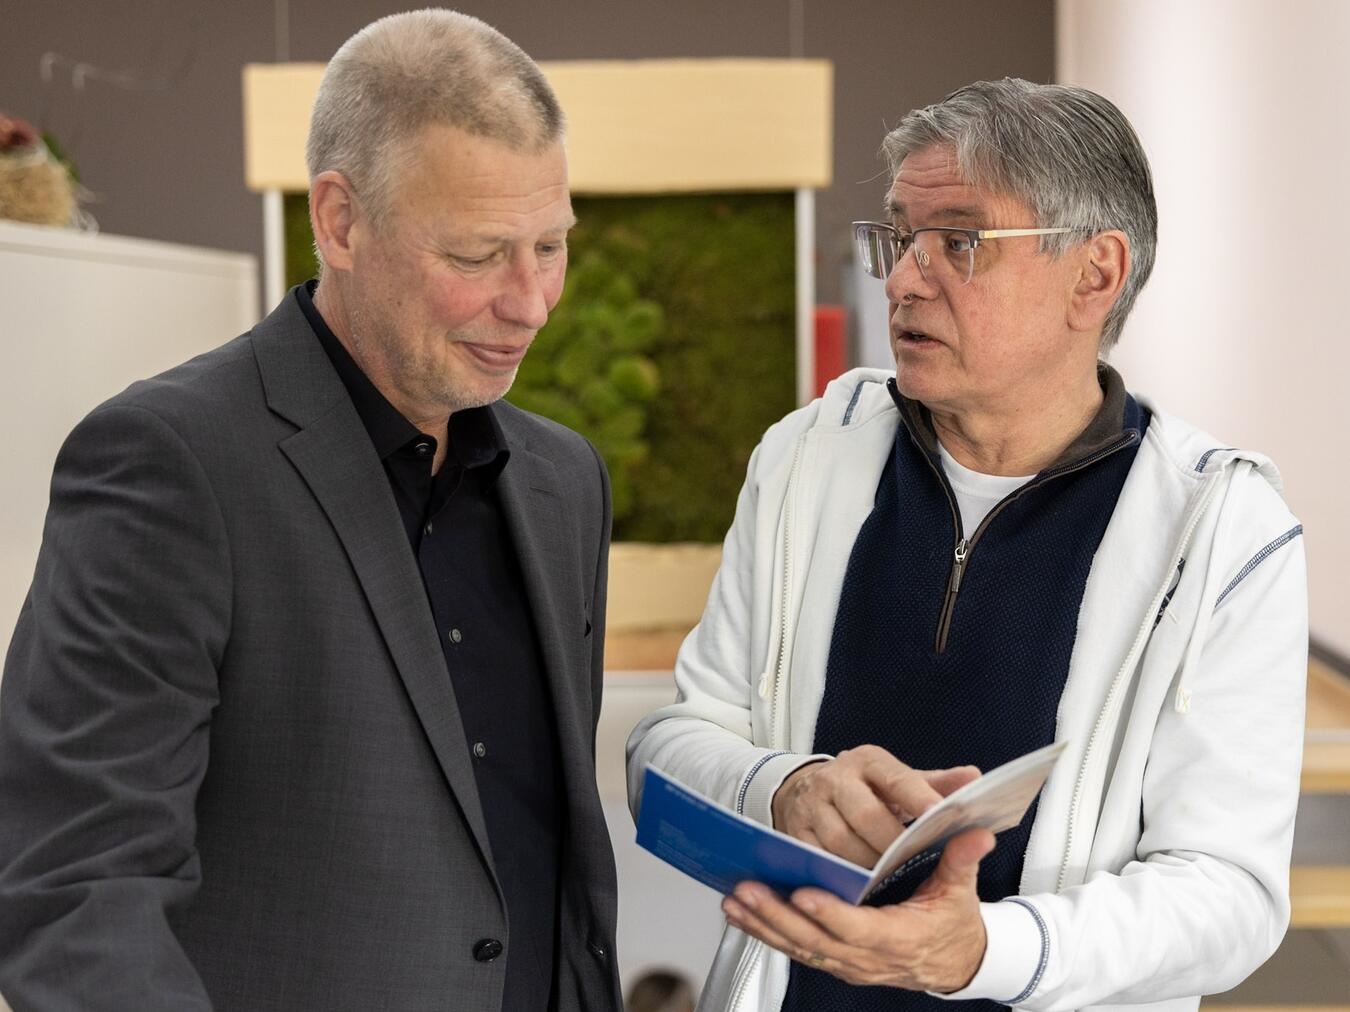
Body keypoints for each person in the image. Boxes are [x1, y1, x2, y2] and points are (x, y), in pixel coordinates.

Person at [627, 78, 1307, 1012]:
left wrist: (984, 952)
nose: (905, 277)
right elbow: (663, 753)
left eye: (960, 242)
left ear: (1095, 275)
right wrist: (783, 789)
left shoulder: (1224, 529)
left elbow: (1231, 895)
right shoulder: (806, 458)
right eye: (900, 238)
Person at [0, 10, 621, 1011]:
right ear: (340, 221)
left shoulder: (565, 481)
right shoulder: (171, 461)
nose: (532, 300)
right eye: (478, 254)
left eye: (550, 245)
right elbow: (75, 891)